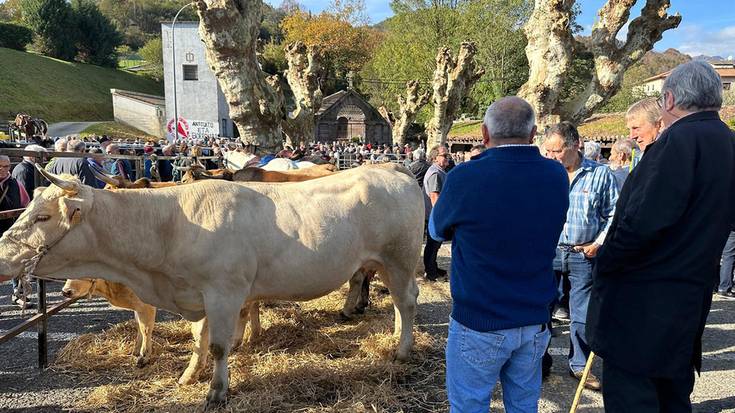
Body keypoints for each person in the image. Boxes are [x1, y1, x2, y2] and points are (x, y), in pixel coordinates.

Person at [588, 60, 735, 412]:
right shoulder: (726, 142)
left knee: (634, 395)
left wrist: (605, 262)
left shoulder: (678, 141)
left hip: (644, 302)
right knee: (672, 394)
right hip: (690, 294)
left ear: (668, 100)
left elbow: (641, 223)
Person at [430, 97, 569, 412]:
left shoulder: (465, 177)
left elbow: (437, 231)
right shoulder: (556, 175)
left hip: (480, 320)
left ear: (484, 133)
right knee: (523, 406)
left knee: (470, 406)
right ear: (533, 133)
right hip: (534, 319)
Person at [544, 121, 618, 391]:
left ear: (575, 145)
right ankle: (541, 360)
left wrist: (599, 242)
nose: (551, 156)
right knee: (542, 308)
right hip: (549, 252)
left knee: (581, 314)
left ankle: (579, 365)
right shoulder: (545, 174)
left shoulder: (600, 174)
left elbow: (614, 213)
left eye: (556, 151)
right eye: (548, 151)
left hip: (583, 254)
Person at [0, 155, 31, 308]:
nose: (2, 169)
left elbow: (26, 204)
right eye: (0, 166)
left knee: (16, 262)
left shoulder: (15, 184)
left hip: (12, 230)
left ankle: (18, 294)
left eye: (6, 166)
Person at [423, 146, 449, 282]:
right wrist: (441, 217)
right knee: (433, 244)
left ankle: (433, 267)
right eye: (444, 155)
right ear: (435, 158)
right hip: (434, 215)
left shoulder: (439, 171)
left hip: (435, 214)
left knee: (435, 245)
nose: (447, 158)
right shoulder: (435, 174)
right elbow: (434, 198)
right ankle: (431, 271)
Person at [625, 97, 664, 169]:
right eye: (629, 130)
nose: (632, 136)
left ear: (659, 124)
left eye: (636, 128)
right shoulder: (644, 158)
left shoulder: (672, 158)